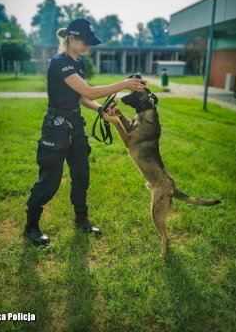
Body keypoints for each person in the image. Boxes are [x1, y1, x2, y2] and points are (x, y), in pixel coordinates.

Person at [24, 18, 147, 244]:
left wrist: (101, 109)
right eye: (85, 42)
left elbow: (81, 96)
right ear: (72, 38)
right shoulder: (60, 62)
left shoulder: (79, 62)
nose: (88, 46)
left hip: (75, 125)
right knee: (49, 182)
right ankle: (31, 226)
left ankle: (81, 220)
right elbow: (88, 90)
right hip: (56, 128)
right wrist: (125, 84)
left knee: (81, 176)